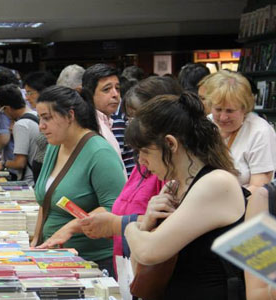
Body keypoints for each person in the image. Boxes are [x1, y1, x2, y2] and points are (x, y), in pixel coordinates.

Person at [81, 92, 246, 299]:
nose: (141, 162)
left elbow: (148, 251)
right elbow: (140, 265)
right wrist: (147, 223)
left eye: (145, 152)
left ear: (171, 144)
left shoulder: (216, 183)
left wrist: (131, 226)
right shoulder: (174, 186)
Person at [33, 85, 126, 277]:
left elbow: (115, 208)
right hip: (55, 258)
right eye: (40, 118)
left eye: (47, 118)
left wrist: (71, 227)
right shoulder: (55, 146)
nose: (41, 125)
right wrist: (35, 241)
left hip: (93, 262)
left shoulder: (100, 153)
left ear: (70, 116)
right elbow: (46, 202)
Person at [111, 76, 182, 278]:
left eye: (138, 118)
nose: (131, 125)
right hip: (131, 270)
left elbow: (163, 230)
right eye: (130, 118)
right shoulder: (144, 163)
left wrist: (121, 225)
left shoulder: (170, 169)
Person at [202, 70, 276, 193]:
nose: (222, 117)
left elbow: (259, 188)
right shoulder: (207, 123)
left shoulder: (260, 132)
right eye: (218, 109)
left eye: (230, 111)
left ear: (245, 108)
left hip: (243, 206)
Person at [82, 64, 126, 177]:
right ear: (90, 94)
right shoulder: (89, 127)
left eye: (117, 88)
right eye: (107, 89)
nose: (115, 95)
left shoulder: (108, 121)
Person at [0, 84, 40, 185]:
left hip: (29, 182)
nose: (4, 114)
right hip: (39, 179)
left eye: (2, 110)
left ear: (8, 108)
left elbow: (20, 163)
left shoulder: (21, 125)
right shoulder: (36, 115)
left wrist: (4, 163)